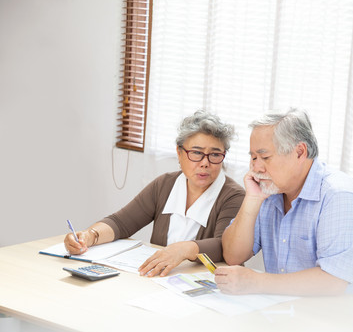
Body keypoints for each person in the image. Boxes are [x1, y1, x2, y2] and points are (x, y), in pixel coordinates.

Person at [215, 108, 353, 298]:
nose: (256, 167)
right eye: (253, 157)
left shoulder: (339, 196)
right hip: (293, 311)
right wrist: (251, 200)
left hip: (352, 316)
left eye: (265, 157)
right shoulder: (270, 190)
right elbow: (233, 256)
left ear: (300, 152)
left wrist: (255, 282)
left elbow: (332, 282)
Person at [64, 110, 245, 277]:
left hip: (207, 288)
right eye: (196, 153)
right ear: (179, 153)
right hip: (160, 281)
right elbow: (121, 222)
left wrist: (184, 250)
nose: (205, 163)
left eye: (215, 155)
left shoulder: (234, 196)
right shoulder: (165, 184)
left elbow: (226, 247)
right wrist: (90, 236)